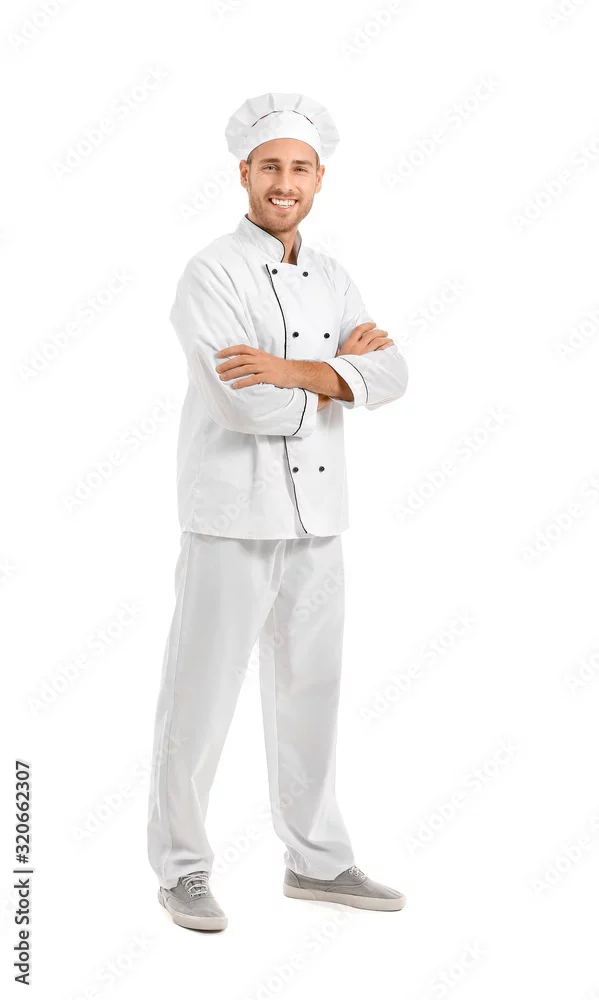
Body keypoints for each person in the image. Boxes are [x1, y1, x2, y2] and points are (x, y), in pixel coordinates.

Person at [148, 92, 409, 932]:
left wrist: (294, 371)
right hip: (231, 514)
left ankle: (318, 862)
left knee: (311, 693)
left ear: (319, 178)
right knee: (199, 696)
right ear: (244, 174)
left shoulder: (331, 275)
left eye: (299, 168)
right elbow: (240, 402)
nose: (284, 183)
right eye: (270, 167)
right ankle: (182, 869)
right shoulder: (210, 272)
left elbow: (393, 373)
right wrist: (341, 379)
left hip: (318, 516)